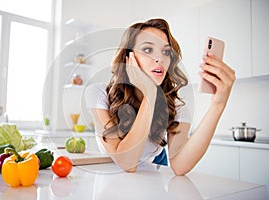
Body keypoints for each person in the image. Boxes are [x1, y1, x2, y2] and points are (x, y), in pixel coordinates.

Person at [85, 18, 235, 175]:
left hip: (151, 178)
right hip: (108, 180)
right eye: (148, 50)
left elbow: (180, 166)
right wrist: (150, 93)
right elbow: (127, 163)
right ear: (128, 58)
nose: (160, 59)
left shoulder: (175, 105)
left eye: (166, 52)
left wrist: (218, 105)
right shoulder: (98, 94)